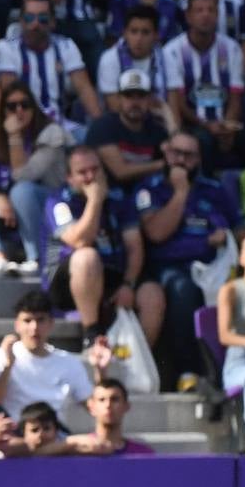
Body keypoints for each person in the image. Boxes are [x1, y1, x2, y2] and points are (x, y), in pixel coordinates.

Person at [137, 131, 241, 389]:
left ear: (199, 159)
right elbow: (157, 233)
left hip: (216, 268)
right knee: (183, 288)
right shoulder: (150, 189)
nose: (181, 160)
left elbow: (240, 230)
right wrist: (181, 191)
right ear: (166, 153)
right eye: (176, 153)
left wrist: (227, 234)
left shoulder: (215, 190)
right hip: (168, 268)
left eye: (189, 155)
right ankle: (189, 373)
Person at [45, 145, 165, 347]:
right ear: (69, 178)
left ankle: (137, 363)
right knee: (87, 257)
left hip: (112, 274)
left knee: (152, 294)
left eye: (95, 169)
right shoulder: (58, 201)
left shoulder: (119, 198)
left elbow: (134, 246)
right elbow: (80, 241)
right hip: (70, 280)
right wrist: (95, 201)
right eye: (82, 172)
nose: (91, 176)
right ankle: (91, 336)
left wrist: (128, 284)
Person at [0, 81, 68, 278]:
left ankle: (35, 258)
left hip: (46, 210)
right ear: (3, 110)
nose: (19, 111)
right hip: (6, 211)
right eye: (11, 106)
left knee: (22, 191)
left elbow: (22, 175)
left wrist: (15, 137)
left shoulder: (51, 133)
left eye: (25, 105)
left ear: (34, 108)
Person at [163, 0, 245, 166]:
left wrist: (229, 127)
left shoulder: (231, 48)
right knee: (203, 141)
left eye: (211, 10)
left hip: (225, 120)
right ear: (188, 16)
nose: (205, 15)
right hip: (194, 123)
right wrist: (206, 125)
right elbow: (179, 102)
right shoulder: (173, 51)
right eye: (199, 10)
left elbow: (235, 95)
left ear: (217, 15)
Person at [0, 0, 103, 132]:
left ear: (53, 22)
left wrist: (100, 129)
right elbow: (10, 96)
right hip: (23, 124)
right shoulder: (6, 48)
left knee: (92, 141)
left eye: (43, 19)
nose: (35, 24)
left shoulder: (66, 46)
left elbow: (84, 89)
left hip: (60, 123)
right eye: (29, 18)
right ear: (21, 21)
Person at [0, 291, 98, 421]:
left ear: (51, 323)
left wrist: (100, 370)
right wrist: (8, 366)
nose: (34, 327)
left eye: (40, 320)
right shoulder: (0, 356)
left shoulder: (69, 362)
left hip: (57, 437)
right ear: (17, 325)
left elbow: (96, 409)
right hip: (14, 435)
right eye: (27, 320)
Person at [85, 67, 172, 193]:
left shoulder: (156, 129)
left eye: (141, 96)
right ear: (119, 99)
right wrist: (163, 164)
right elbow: (121, 172)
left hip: (146, 194)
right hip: (109, 195)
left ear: (149, 100)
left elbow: (180, 153)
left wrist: (170, 119)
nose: (135, 103)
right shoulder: (103, 126)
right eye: (129, 96)